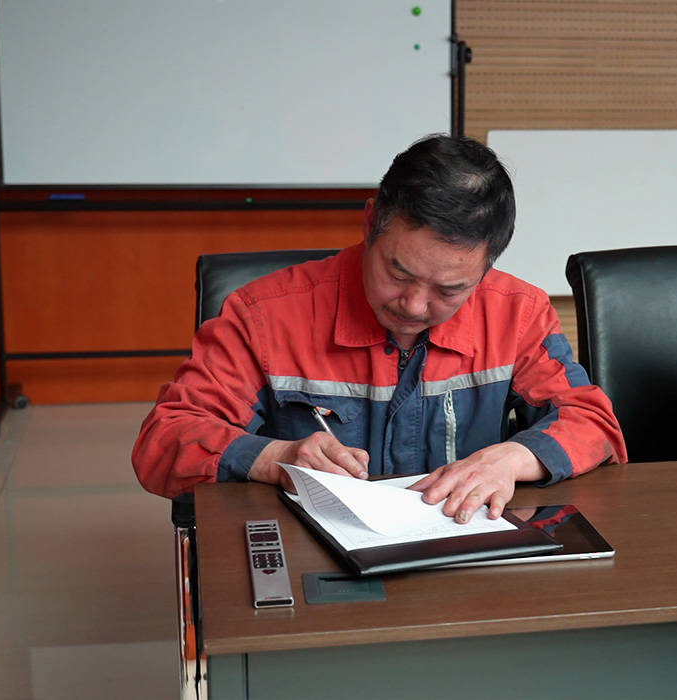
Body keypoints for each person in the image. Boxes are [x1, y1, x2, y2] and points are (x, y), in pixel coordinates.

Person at [132, 134, 627, 522]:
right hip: (313, 556)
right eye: (398, 273)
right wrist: (274, 457)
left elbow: (594, 424)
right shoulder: (263, 315)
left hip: (457, 552)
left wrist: (510, 460)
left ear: (486, 267)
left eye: (449, 289)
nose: (413, 305)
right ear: (370, 223)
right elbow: (163, 441)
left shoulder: (517, 312)